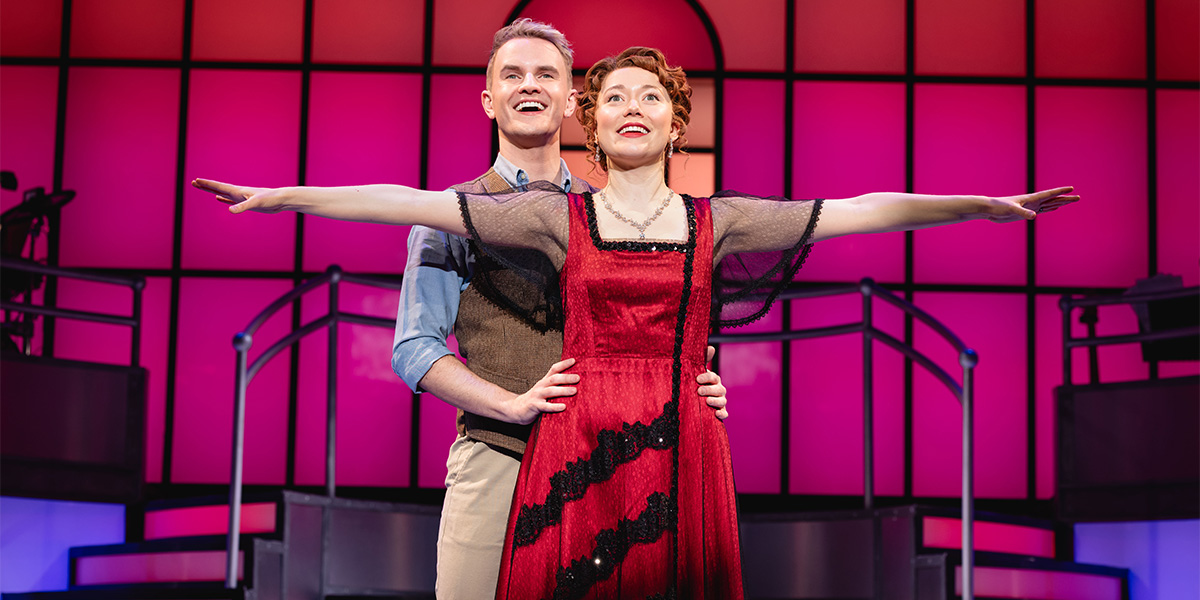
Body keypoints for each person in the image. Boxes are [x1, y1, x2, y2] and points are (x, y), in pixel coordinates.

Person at [194, 44, 1076, 598]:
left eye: (647, 98)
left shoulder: (717, 220)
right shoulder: (550, 217)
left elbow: (856, 209)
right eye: (613, 96)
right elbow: (404, 203)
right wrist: (281, 198)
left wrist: (984, 205)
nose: (629, 109)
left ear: (676, 121)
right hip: (558, 443)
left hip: (680, 439)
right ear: (593, 119)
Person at [395, 21, 730, 598]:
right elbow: (414, 349)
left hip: (607, 463)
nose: (530, 85)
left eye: (546, 74)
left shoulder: (614, 212)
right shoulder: (453, 212)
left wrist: (699, 379)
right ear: (488, 99)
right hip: (500, 456)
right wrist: (512, 404)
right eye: (512, 75)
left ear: (574, 100)